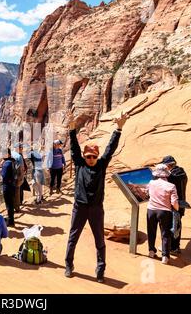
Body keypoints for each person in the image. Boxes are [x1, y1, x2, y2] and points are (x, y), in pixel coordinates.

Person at [64, 112, 129, 283]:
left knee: (100, 240)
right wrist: (72, 128)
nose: (91, 159)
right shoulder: (79, 164)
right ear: (84, 157)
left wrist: (119, 128)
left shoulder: (101, 165)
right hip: (79, 207)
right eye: (88, 156)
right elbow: (74, 148)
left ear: (97, 157)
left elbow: (110, 149)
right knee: (73, 237)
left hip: (96, 209)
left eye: (94, 156)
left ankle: (100, 271)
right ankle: (68, 265)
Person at [146, 164, 179, 265]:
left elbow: (146, 193)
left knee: (151, 231)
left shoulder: (151, 183)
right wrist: (177, 209)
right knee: (165, 234)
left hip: (151, 210)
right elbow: (174, 202)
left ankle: (151, 251)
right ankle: (165, 256)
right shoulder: (171, 186)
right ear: (166, 174)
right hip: (164, 212)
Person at [162, 155, 188, 255]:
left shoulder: (171, 176)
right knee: (177, 224)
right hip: (181, 203)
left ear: (168, 165)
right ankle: (175, 247)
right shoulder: (182, 172)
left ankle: (173, 248)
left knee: (173, 225)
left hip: (174, 204)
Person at [1, 149, 16, 226]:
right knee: (11, 203)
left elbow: (3, 175)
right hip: (12, 185)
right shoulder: (12, 162)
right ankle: (11, 219)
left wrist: (1, 167)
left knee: (8, 204)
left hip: (7, 186)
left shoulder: (6, 164)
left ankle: (11, 221)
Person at [11, 142, 27, 211]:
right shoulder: (19, 156)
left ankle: (11, 205)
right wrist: (21, 178)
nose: (22, 149)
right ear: (18, 148)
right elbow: (22, 168)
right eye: (21, 148)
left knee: (11, 191)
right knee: (17, 191)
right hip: (17, 176)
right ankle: (17, 207)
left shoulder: (10, 154)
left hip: (10, 176)